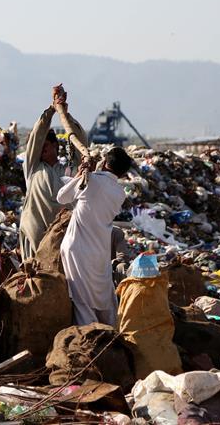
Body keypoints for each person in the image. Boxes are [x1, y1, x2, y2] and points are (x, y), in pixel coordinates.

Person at [58, 147, 133, 327]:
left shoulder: (91, 180)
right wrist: (87, 174)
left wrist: (81, 174)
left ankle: (90, 335)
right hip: (100, 251)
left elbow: (61, 198)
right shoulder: (119, 193)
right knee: (103, 296)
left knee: (81, 299)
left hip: (76, 248)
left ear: (105, 163)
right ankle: (109, 330)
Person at [19, 85, 88, 260]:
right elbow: (37, 135)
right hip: (35, 235)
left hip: (61, 237)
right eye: (39, 147)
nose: (41, 149)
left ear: (56, 146)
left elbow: (81, 144)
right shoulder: (33, 168)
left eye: (46, 146)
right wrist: (51, 110)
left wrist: (64, 113)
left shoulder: (69, 170)